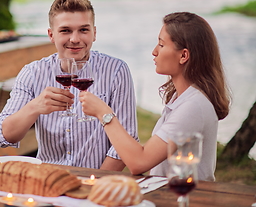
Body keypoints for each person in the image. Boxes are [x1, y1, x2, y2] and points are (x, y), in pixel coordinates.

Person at [79, 12, 231, 181]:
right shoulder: (181, 99)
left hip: (186, 198)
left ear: (183, 56)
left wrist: (103, 113)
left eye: (161, 45)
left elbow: (139, 162)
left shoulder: (194, 106)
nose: (154, 52)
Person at [0, 0, 138, 171]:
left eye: (83, 30)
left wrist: (93, 182)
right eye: (65, 31)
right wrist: (35, 107)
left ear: (94, 33)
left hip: (97, 180)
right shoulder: (32, 73)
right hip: (47, 178)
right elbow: (4, 136)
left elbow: (126, 141)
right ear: (51, 35)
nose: (75, 39)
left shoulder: (116, 70)